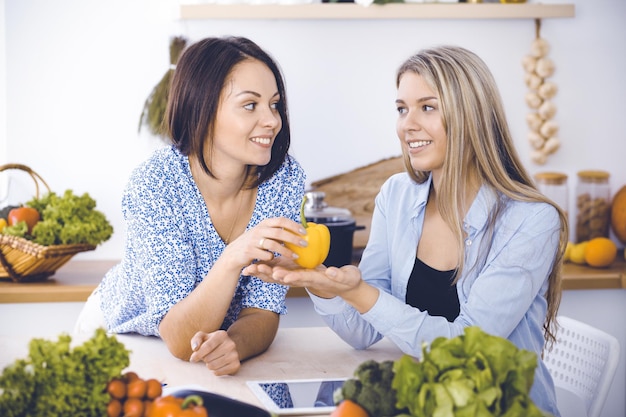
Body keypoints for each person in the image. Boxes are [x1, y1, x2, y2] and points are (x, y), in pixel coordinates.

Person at [244, 45, 567, 415]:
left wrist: (361, 293)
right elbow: (363, 332)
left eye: (427, 107)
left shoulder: (531, 220)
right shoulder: (397, 196)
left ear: (471, 115)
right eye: (402, 109)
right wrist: (320, 284)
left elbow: (465, 346)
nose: (406, 125)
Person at [75, 36, 308, 376]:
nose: (272, 120)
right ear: (203, 108)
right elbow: (180, 337)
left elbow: (262, 308)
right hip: (124, 342)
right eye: (249, 105)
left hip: (206, 351)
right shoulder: (156, 183)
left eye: (274, 104)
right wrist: (233, 256)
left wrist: (234, 345)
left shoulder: (283, 178)